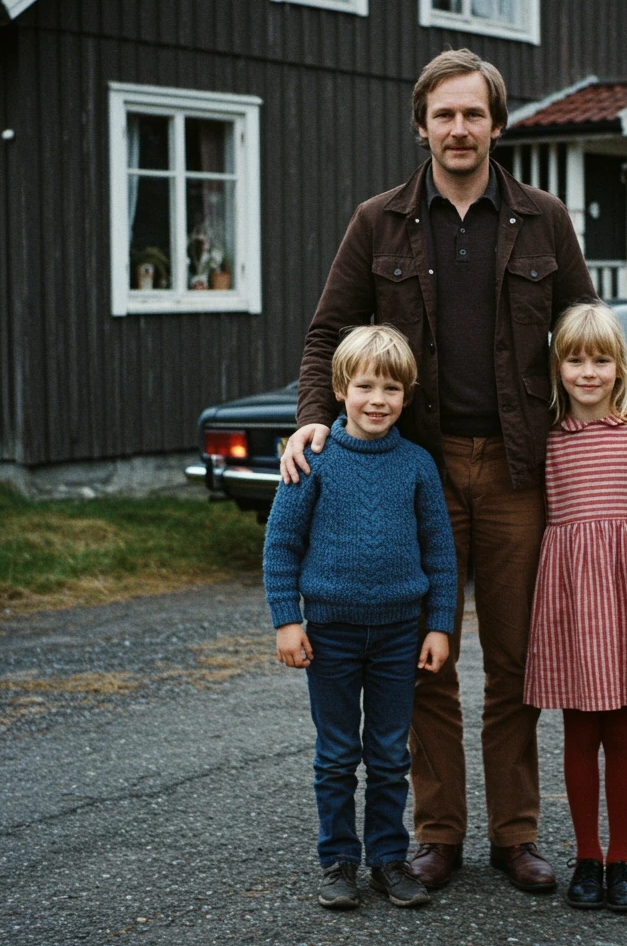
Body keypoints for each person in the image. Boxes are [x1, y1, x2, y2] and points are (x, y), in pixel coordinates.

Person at [279, 48, 627, 893]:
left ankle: (517, 835)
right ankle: (438, 833)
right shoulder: (377, 222)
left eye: (474, 114)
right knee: (427, 656)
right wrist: (312, 421)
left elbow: (584, 332)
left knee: (519, 659)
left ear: (498, 124)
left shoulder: (544, 219)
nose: (460, 129)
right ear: (421, 126)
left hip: (521, 469)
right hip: (413, 472)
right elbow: (324, 335)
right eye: (444, 115)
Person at [263, 325, 457, 910]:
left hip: (401, 634)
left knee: (392, 753)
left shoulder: (417, 464)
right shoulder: (314, 458)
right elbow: (281, 544)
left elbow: (440, 551)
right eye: (365, 385)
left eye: (392, 388)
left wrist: (439, 624)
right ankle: (338, 861)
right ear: (342, 388)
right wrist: (286, 620)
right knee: (337, 752)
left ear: (408, 395)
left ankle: (390, 860)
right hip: (330, 634)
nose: (378, 399)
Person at [523, 302, 627, 913]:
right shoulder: (549, 440)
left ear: (620, 368)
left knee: (622, 728)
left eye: (601, 360)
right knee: (577, 729)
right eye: (574, 359)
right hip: (569, 606)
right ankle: (586, 857)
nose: (587, 372)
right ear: (557, 367)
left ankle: (622, 859)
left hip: (625, 602)